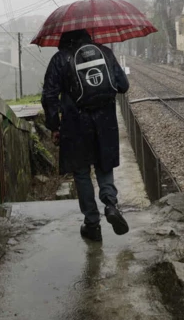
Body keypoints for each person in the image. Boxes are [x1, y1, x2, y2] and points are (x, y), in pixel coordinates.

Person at [41, 28, 130, 242]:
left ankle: (92, 223)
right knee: (104, 166)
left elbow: (49, 95)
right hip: (105, 122)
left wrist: (54, 126)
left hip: (75, 124)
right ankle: (110, 204)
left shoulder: (60, 59)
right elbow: (123, 86)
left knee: (81, 173)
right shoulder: (104, 53)